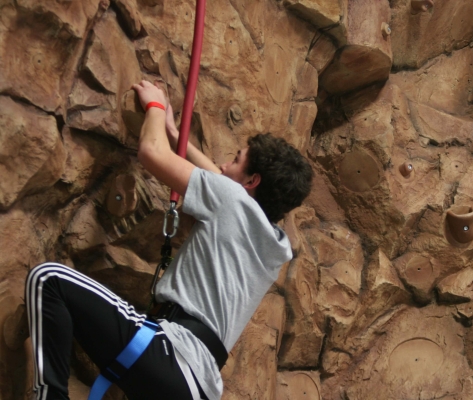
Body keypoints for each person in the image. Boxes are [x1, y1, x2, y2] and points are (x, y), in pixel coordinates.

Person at [25, 80, 313, 400]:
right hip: (196, 388)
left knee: (48, 279)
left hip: (173, 355)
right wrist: (175, 133)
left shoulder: (232, 201)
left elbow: (152, 154)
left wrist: (155, 107)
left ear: (252, 180)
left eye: (236, 158)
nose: (222, 164)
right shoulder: (273, 243)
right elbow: (221, 180)